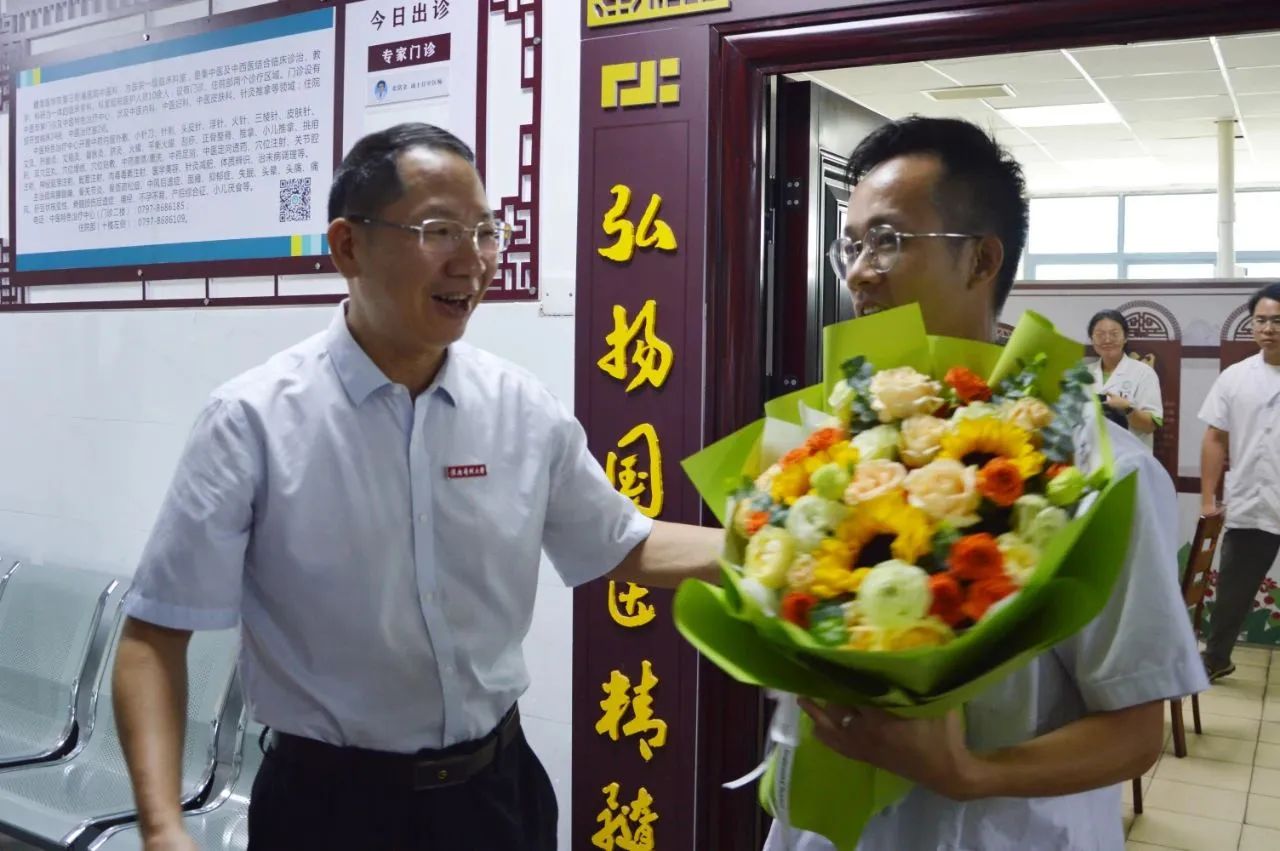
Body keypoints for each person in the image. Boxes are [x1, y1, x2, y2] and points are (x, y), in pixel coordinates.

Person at [112, 123, 722, 851]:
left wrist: (788, 548)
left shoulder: (520, 408)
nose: (473, 260)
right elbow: (154, 635)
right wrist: (163, 827)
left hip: (496, 797)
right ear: (348, 247)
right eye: (439, 231)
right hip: (331, 812)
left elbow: (624, 544)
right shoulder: (253, 420)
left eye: (486, 231)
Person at [766, 117, 1207, 851]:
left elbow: (1133, 733)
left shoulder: (1096, 468)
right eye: (852, 244)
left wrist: (969, 772)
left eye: (888, 239)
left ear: (981, 259)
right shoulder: (834, 442)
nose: (860, 271)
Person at [1197, 282, 1280, 682]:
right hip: (1252, 500)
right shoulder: (1235, 377)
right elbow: (1215, 438)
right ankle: (1216, 657)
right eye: (1261, 320)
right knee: (1233, 589)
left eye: (1277, 320)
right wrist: (1207, 499)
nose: (1269, 328)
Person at [1086, 308, 1163, 452]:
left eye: (1114, 334)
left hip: (1130, 457)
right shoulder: (1083, 374)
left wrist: (1128, 409)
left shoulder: (1143, 373)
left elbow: (1151, 425)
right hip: (1092, 456)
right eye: (1100, 334)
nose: (1107, 340)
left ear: (1125, 337)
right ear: (1092, 339)